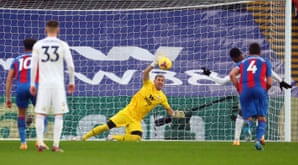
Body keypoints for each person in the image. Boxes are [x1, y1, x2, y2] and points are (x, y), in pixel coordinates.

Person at [202, 47, 291, 146]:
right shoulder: (255, 61)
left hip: (246, 92)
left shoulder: (240, 67)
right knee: (260, 115)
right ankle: (261, 137)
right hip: (260, 90)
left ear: (234, 59)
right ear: (241, 54)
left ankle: (236, 140)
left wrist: (209, 74)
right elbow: (270, 71)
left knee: (241, 114)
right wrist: (281, 81)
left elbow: (222, 81)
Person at [81, 56, 175, 141]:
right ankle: (84, 137)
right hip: (127, 113)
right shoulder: (148, 85)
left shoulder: (162, 97)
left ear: (164, 83)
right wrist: (154, 63)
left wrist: (175, 114)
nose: (160, 82)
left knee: (137, 137)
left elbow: (169, 109)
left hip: (136, 119)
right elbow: (146, 72)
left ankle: (113, 137)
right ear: (154, 81)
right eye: (158, 80)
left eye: (162, 81)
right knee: (106, 126)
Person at [30, 20, 75, 152]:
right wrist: (72, 81)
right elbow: (71, 65)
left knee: (40, 113)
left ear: (46, 29)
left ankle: (40, 143)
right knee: (58, 114)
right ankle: (55, 145)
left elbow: (34, 65)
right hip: (57, 84)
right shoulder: (62, 44)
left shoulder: (38, 44)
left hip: (43, 84)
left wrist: (32, 83)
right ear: (58, 30)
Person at [5, 38, 49, 150]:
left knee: (21, 114)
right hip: (37, 87)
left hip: (21, 88)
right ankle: (39, 141)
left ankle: (23, 143)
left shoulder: (16, 60)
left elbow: (9, 79)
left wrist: (8, 97)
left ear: (24, 48)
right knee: (42, 114)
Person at [229, 43, 272, 150]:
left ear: (248, 52)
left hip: (245, 90)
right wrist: (264, 90)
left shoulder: (243, 62)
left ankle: (248, 125)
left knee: (248, 115)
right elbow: (270, 82)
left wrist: (238, 88)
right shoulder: (265, 62)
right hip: (259, 89)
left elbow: (232, 75)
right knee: (261, 117)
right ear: (260, 52)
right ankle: (258, 140)